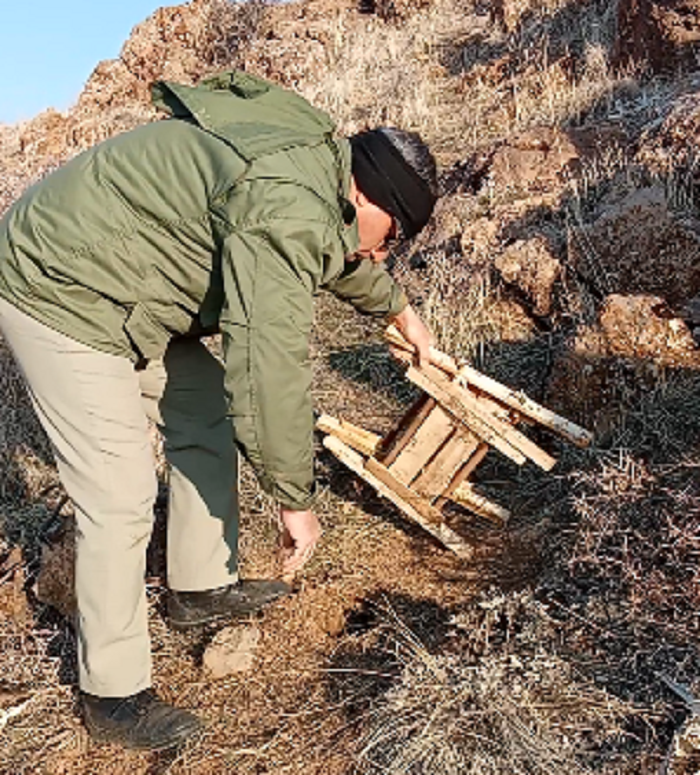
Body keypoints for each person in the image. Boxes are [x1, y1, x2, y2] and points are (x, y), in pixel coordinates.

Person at [0, 70, 437, 750]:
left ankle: (199, 586)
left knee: (200, 407)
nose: (385, 252)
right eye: (393, 234)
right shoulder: (289, 201)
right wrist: (295, 499)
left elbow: (331, 246)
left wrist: (400, 310)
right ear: (366, 193)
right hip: (62, 286)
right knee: (119, 490)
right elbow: (267, 363)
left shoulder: (317, 169)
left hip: (126, 284)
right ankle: (111, 694)